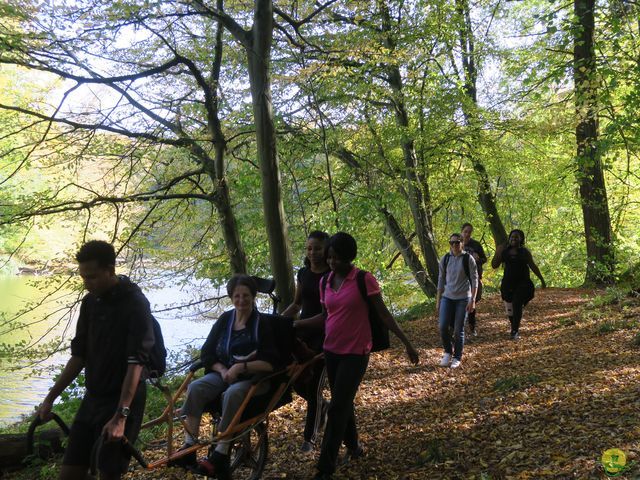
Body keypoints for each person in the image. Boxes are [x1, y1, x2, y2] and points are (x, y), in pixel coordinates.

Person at [296, 232, 419, 480]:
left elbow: (383, 315)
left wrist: (407, 343)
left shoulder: (364, 279)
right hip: (330, 351)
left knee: (338, 406)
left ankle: (325, 467)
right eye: (329, 257)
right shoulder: (325, 282)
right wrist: (296, 325)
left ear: (349, 258)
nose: (331, 263)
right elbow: (324, 316)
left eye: (337, 258)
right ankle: (354, 447)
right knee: (343, 401)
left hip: (356, 352)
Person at [37, 240, 156, 480]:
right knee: (69, 474)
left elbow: (136, 364)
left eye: (91, 277)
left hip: (123, 400)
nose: (86, 283)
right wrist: (50, 398)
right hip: (93, 398)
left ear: (110, 270)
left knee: (108, 474)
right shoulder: (90, 303)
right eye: (83, 277)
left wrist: (120, 417)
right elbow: (79, 355)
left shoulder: (135, 304)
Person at [176, 274, 279, 479]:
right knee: (196, 387)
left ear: (254, 296)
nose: (241, 300)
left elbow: (272, 362)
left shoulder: (262, 323)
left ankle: (221, 453)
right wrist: (223, 370)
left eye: (246, 296)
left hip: (254, 379)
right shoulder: (225, 319)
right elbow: (207, 353)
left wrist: (241, 367)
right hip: (223, 374)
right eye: (237, 296)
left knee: (232, 393)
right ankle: (190, 446)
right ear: (231, 297)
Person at [281, 230, 330, 453]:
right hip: (302, 335)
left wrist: (298, 324)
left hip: (324, 336)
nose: (313, 253)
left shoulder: (331, 276)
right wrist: (278, 321)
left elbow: (326, 314)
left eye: (317, 248)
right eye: (309, 248)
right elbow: (297, 304)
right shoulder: (303, 273)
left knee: (314, 385)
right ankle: (323, 407)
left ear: (326, 249)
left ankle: (309, 439)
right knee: (295, 379)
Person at [491, 229, 546, 340]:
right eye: (512, 237)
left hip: (523, 283)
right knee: (510, 307)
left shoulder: (524, 252)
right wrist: (498, 252)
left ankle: (515, 331)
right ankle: (514, 326)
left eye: (516, 237)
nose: (514, 239)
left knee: (517, 303)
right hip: (508, 283)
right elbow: (494, 265)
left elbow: (533, 266)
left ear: (521, 239)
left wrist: (542, 280)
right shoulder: (505, 251)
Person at [436, 233, 479, 369]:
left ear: (462, 243)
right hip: (447, 298)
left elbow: (474, 280)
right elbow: (441, 280)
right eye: (452, 242)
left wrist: (472, 300)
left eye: (457, 242)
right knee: (443, 327)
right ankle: (448, 352)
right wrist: (438, 300)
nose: (454, 245)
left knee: (458, 329)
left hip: (463, 298)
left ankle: (457, 357)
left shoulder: (468, 259)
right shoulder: (445, 259)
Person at [461, 223, 487, 337]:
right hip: (461, 279)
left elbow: (484, 259)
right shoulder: (457, 244)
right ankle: (459, 327)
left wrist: (478, 259)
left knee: (472, 302)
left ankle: (472, 328)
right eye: (465, 231)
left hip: (474, 277)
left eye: (469, 232)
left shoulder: (476, 245)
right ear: (462, 231)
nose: (467, 234)